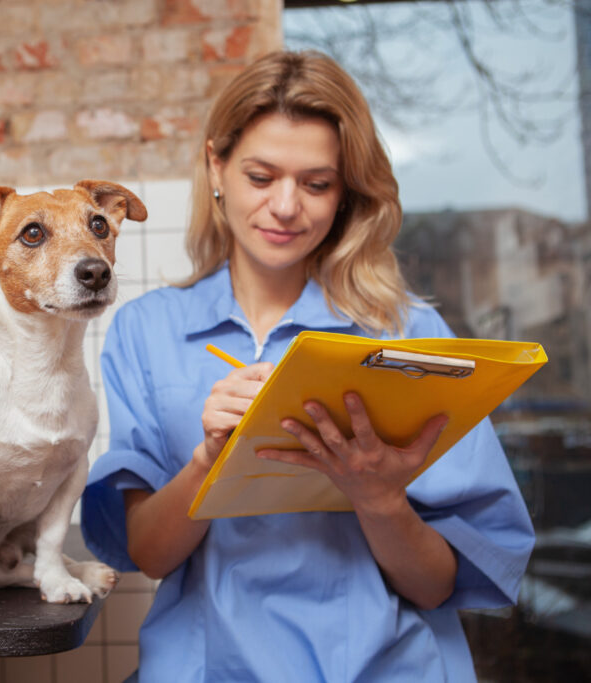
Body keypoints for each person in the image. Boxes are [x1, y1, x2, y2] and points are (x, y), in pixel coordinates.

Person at [81, 50, 535, 682]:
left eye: (317, 184)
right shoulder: (147, 330)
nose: (287, 206)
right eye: (261, 177)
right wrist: (209, 461)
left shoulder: (408, 336)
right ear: (217, 165)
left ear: (346, 191)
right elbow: (149, 555)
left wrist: (378, 498)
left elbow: (436, 589)